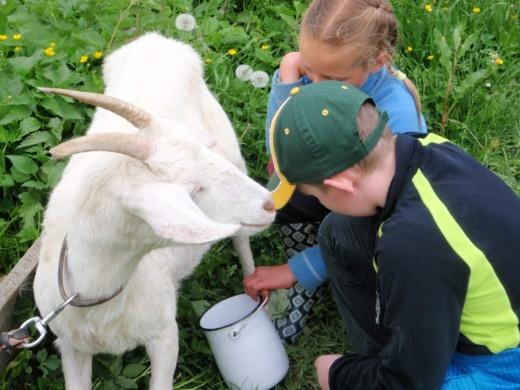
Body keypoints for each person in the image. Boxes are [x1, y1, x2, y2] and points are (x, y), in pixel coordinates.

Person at [254, 80, 520, 389]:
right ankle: (382, 356)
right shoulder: (418, 145)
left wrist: (340, 375)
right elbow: (312, 204)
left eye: (313, 194)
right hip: (479, 302)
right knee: (340, 229)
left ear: (341, 185)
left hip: (502, 364)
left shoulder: (412, 246)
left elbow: (409, 384)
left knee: (333, 373)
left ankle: (381, 366)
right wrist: (240, 209)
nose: (313, 201)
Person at [251, 0, 427, 344]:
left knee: (340, 228)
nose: (315, 85)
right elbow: (282, 151)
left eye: (331, 79)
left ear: (378, 61)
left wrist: (299, 271)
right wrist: (288, 83)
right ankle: (306, 257)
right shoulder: (318, 71)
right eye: (308, 70)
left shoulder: (396, 115)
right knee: (282, 192)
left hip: (379, 215)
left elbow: (385, 221)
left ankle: (314, 273)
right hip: (338, 185)